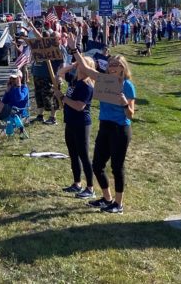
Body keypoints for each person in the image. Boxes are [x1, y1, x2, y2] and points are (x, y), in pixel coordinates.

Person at [69, 46, 136, 214]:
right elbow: (84, 68)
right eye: (110, 64)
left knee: (117, 167)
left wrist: (124, 102)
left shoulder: (127, 86)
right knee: (97, 165)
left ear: (123, 68)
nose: (112, 67)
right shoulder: (103, 79)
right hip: (104, 126)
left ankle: (118, 205)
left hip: (120, 129)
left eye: (116, 65)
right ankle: (107, 198)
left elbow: (131, 113)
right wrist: (73, 49)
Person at [53, 57, 96, 199]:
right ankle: (77, 183)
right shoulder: (74, 80)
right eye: (80, 67)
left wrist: (63, 98)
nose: (80, 70)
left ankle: (90, 188)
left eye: (84, 67)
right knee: (73, 153)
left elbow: (79, 106)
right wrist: (73, 64)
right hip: (70, 122)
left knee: (83, 155)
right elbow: (59, 72)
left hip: (81, 124)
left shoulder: (87, 86)